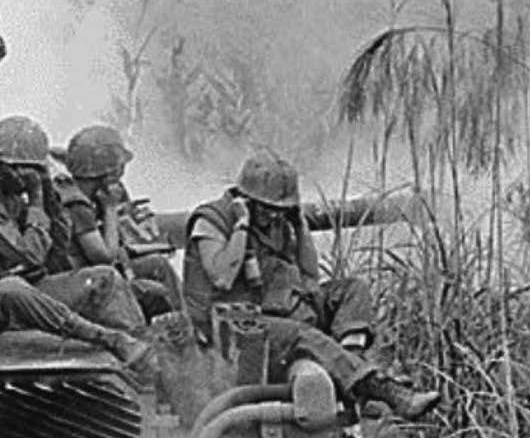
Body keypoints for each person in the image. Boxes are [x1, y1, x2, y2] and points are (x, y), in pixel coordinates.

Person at [183, 150, 440, 420]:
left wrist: (299, 224)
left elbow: (310, 277)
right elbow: (222, 277)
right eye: (267, 210)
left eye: (280, 211)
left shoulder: (280, 221)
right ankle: (386, 391)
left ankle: (353, 370)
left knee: (353, 289)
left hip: (280, 308)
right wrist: (242, 225)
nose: (274, 218)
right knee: (302, 334)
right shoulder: (212, 221)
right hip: (235, 329)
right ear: (246, 200)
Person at [0, 116, 150, 367]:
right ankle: (111, 340)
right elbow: (28, 255)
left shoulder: (6, 193)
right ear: (3, 165)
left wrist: (48, 197)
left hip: (14, 293)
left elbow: (54, 252)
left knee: (103, 278)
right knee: (11, 288)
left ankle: (143, 360)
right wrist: (34, 200)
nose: (29, 179)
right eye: (27, 171)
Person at [57, 125, 182, 320]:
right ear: (110, 173)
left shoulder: (86, 195)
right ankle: (174, 332)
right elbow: (104, 257)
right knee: (154, 292)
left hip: (93, 274)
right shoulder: (77, 205)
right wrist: (110, 208)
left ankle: (188, 322)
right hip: (84, 282)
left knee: (158, 264)